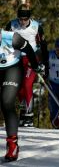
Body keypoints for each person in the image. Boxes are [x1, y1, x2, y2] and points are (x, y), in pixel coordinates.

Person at [0, 29, 45, 161]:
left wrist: (36, 66)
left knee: (6, 102)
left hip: (12, 68)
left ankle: (12, 144)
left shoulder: (12, 38)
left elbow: (29, 50)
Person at [5, 4, 48, 127]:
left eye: (25, 19)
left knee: (27, 84)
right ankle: (23, 112)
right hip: (16, 59)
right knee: (18, 87)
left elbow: (43, 45)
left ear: (29, 17)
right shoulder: (12, 25)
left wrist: (45, 63)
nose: (22, 22)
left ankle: (29, 115)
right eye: (20, 19)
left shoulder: (36, 26)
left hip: (31, 59)